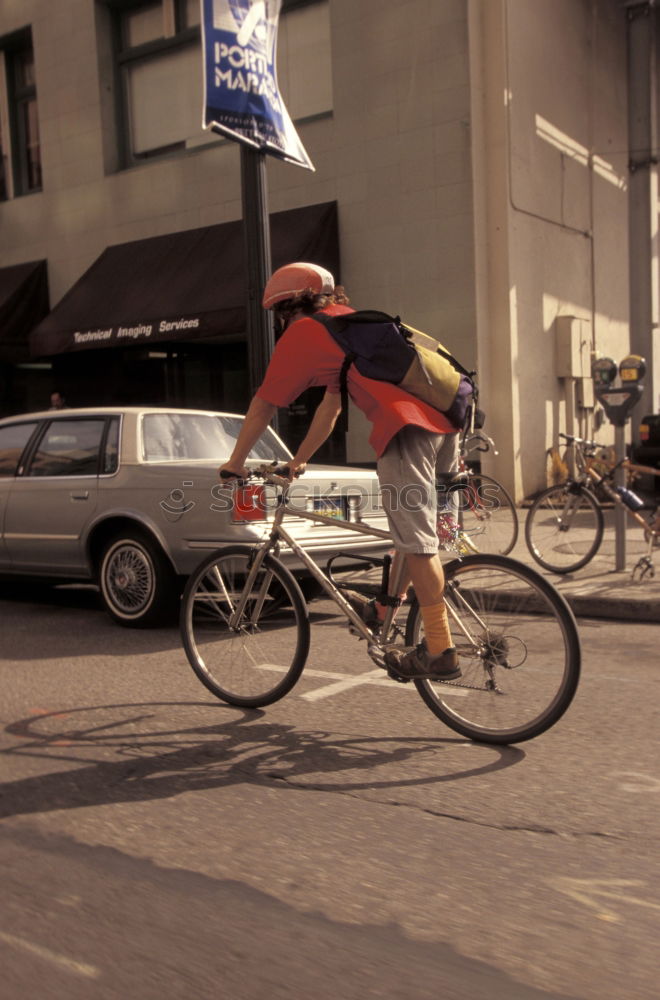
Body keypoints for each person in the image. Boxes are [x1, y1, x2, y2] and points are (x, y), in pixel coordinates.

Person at [219, 262, 464, 681]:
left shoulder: (305, 332)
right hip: (449, 425)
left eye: (280, 315)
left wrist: (234, 463)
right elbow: (331, 407)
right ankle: (384, 607)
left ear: (287, 308)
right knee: (418, 534)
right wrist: (299, 461)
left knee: (419, 542)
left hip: (406, 430)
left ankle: (440, 650)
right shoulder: (347, 328)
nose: (281, 323)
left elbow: (263, 404)